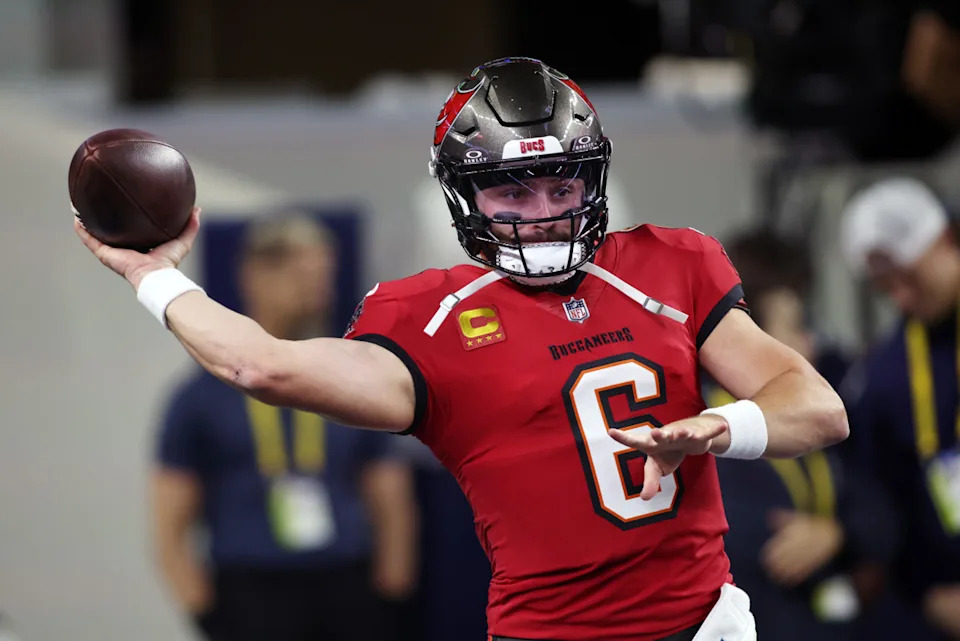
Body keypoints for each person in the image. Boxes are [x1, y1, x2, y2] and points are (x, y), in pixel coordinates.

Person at [76, 57, 848, 641]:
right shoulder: (431, 316)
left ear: (594, 181)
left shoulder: (671, 264)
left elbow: (818, 408)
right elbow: (260, 363)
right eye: (513, 190)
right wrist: (154, 276)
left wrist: (719, 425)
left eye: (562, 185)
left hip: (706, 622)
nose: (543, 213)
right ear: (463, 195)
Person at [151, 215, 418, 641]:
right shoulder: (200, 398)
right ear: (255, 276)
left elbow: (390, 496)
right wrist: (206, 614)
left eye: (324, 276)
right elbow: (169, 524)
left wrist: (392, 594)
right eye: (303, 275)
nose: (319, 289)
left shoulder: (347, 376)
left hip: (347, 583)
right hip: (251, 589)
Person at [704, 229, 897, 641]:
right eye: (793, 328)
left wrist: (837, 532)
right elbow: (764, 551)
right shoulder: (705, 434)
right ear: (748, 338)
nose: (809, 345)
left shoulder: (814, 417)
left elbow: (880, 512)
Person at [839, 176, 960, 640]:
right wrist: (928, 595)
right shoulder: (886, 377)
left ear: (945, 239)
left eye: (910, 277)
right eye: (886, 287)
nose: (902, 298)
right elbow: (885, 506)